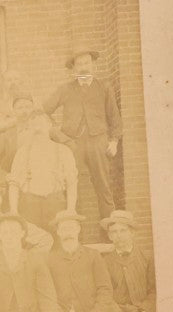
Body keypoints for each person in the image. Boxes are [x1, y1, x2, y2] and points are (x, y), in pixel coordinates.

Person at [42, 51, 122, 227]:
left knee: (103, 185)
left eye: (87, 63)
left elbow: (114, 117)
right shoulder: (65, 89)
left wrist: (114, 141)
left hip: (98, 142)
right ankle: (71, 231)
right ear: (74, 69)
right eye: (79, 64)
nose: (83, 67)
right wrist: (59, 134)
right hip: (72, 144)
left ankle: (110, 232)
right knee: (71, 185)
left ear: (94, 65)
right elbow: (44, 111)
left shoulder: (104, 87)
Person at [9, 109, 79, 232]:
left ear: (49, 125)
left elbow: (72, 183)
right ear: (29, 129)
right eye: (33, 125)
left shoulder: (63, 151)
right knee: (33, 244)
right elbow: (14, 184)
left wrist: (70, 209)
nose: (37, 129)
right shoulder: (22, 152)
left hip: (56, 204)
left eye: (40, 124)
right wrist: (14, 211)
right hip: (30, 205)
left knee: (58, 243)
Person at [0, 92, 37, 171]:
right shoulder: (6, 136)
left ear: (33, 109)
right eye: (20, 108)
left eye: (28, 107)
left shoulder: (41, 131)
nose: (24, 111)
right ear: (13, 111)